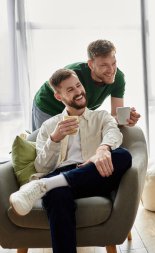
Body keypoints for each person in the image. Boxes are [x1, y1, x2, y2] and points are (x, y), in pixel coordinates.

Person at [10, 69, 132, 253]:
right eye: (70, 90)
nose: (78, 91)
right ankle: (50, 184)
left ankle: (44, 185)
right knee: (56, 195)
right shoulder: (50, 126)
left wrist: (102, 149)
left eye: (78, 86)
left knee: (123, 156)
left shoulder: (101, 116)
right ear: (59, 97)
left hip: (95, 173)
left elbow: (113, 133)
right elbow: (42, 166)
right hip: (60, 175)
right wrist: (55, 139)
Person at [32, 39, 141, 131]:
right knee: (46, 144)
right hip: (48, 105)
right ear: (91, 64)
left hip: (74, 109)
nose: (111, 70)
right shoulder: (75, 75)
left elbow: (115, 116)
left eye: (113, 63)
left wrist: (126, 119)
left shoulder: (118, 78)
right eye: (104, 65)